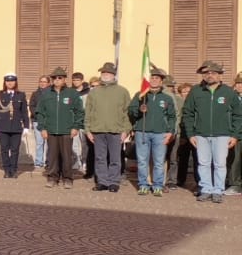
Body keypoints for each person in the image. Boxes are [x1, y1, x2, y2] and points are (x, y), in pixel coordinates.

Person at [180, 60, 242, 204]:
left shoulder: (228, 92)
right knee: (203, 163)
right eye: (206, 73)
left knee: (220, 164)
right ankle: (206, 189)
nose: (210, 75)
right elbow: (187, 113)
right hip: (200, 134)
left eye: (214, 73)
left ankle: (218, 190)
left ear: (220, 76)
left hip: (222, 135)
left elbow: (238, 115)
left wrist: (235, 135)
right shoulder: (196, 91)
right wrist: (191, 134)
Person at [128, 65, 176, 196]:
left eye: (157, 78)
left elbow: (172, 117)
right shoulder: (140, 95)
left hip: (160, 133)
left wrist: (170, 132)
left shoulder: (166, 98)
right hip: (142, 132)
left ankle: (158, 185)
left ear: (161, 81)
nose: (154, 80)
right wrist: (139, 108)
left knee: (159, 161)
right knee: (142, 161)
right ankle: (143, 184)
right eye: (152, 78)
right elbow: (131, 112)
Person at [84, 62, 131, 192]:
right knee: (100, 158)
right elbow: (88, 112)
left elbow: (127, 113)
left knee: (115, 158)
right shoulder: (94, 92)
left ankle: (114, 182)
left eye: (108, 73)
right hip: (97, 130)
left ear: (113, 75)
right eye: (103, 73)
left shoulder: (122, 91)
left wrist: (126, 130)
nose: (105, 75)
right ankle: (102, 182)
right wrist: (88, 130)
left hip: (116, 130)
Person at [35, 66, 84, 188]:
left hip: (67, 130)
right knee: (52, 156)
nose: (57, 80)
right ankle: (52, 178)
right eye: (54, 78)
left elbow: (79, 112)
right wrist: (42, 128)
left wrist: (76, 127)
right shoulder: (46, 94)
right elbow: (40, 112)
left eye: (60, 78)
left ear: (64, 80)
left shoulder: (72, 93)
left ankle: (67, 179)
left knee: (67, 156)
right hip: (50, 130)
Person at [0, 73, 31, 178]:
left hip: (16, 127)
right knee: (4, 149)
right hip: (3, 126)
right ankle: (6, 170)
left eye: (12, 81)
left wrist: (26, 126)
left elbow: (24, 112)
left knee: (15, 150)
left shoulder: (21, 95)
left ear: (15, 82)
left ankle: (13, 170)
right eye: (8, 81)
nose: (10, 83)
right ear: (5, 82)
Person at [173, 80, 200, 191]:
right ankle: (180, 179)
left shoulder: (196, 103)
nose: (186, 94)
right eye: (183, 92)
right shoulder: (178, 103)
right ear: (180, 93)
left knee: (197, 159)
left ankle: (199, 181)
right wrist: (183, 136)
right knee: (182, 159)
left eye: (188, 91)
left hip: (195, 135)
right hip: (182, 135)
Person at [28, 75, 50, 170]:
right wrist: (37, 115)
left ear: (49, 83)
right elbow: (31, 106)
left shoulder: (52, 93)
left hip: (50, 121)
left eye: (44, 81)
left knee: (50, 143)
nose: (42, 83)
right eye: (41, 81)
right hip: (37, 121)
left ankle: (49, 162)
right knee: (39, 142)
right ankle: (38, 162)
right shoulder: (35, 94)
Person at [227, 71, 242, 195]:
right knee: (234, 160)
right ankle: (235, 184)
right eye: (237, 83)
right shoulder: (231, 97)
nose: (240, 86)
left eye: (241, 83)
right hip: (235, 133)